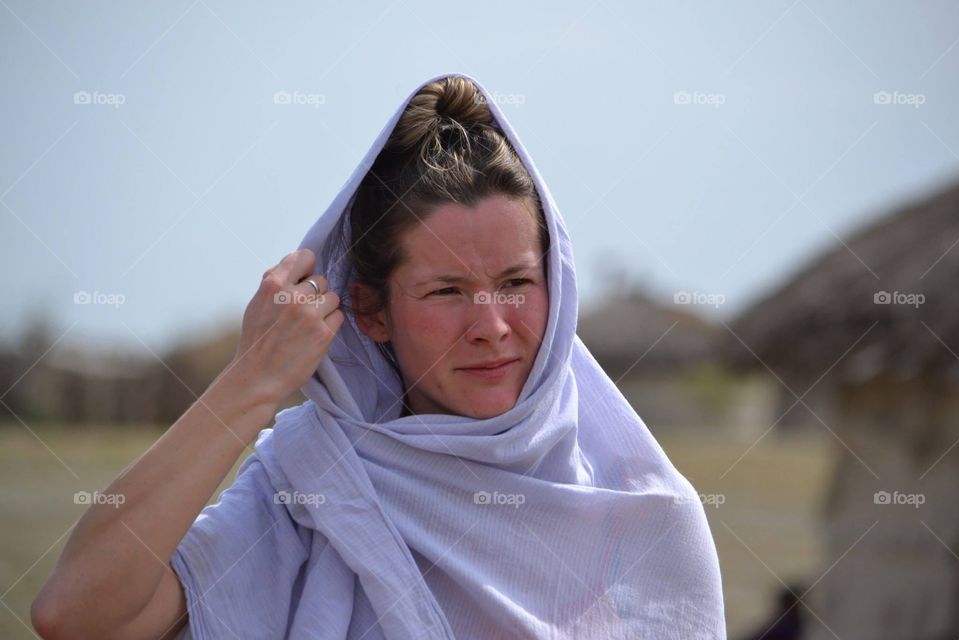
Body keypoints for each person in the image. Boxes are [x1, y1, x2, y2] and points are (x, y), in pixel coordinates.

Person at [31, 72, 726, 639]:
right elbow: (79, 616)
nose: (491, 326)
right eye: (447, 290)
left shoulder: (648, 517)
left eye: (516, 283)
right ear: (371, 311)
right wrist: (251, 382)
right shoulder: (315, 489)